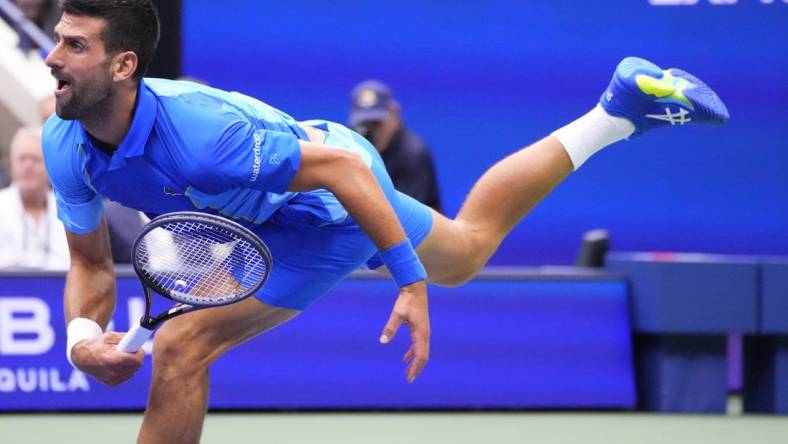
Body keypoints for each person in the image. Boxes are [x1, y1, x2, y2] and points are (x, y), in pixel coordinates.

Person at [42, 1, 728, 443]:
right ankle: (616, 110)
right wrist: (79, 340)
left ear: (123, 64)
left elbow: (342, 175)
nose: (51, 58)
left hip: (331, 198)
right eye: (55, 40)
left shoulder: (203, 133)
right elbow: (91, 264)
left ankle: (613, 115)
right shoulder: (64, 139)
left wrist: (408, 282)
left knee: (184, 348)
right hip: (249, 217)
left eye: (73, 45)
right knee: (467, 250)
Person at [349, 80, 442, 211]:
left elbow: (407, 218)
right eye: (364, 124)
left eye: (376, 123)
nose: (370, 131)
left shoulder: (413, 153)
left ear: (395, 113)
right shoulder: (351, 146)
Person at [0, 126, 69, 270]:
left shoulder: (68, 209)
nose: (28, 166)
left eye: (35, 160)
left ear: (51, 166)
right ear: (12, 165)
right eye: (22, 159)